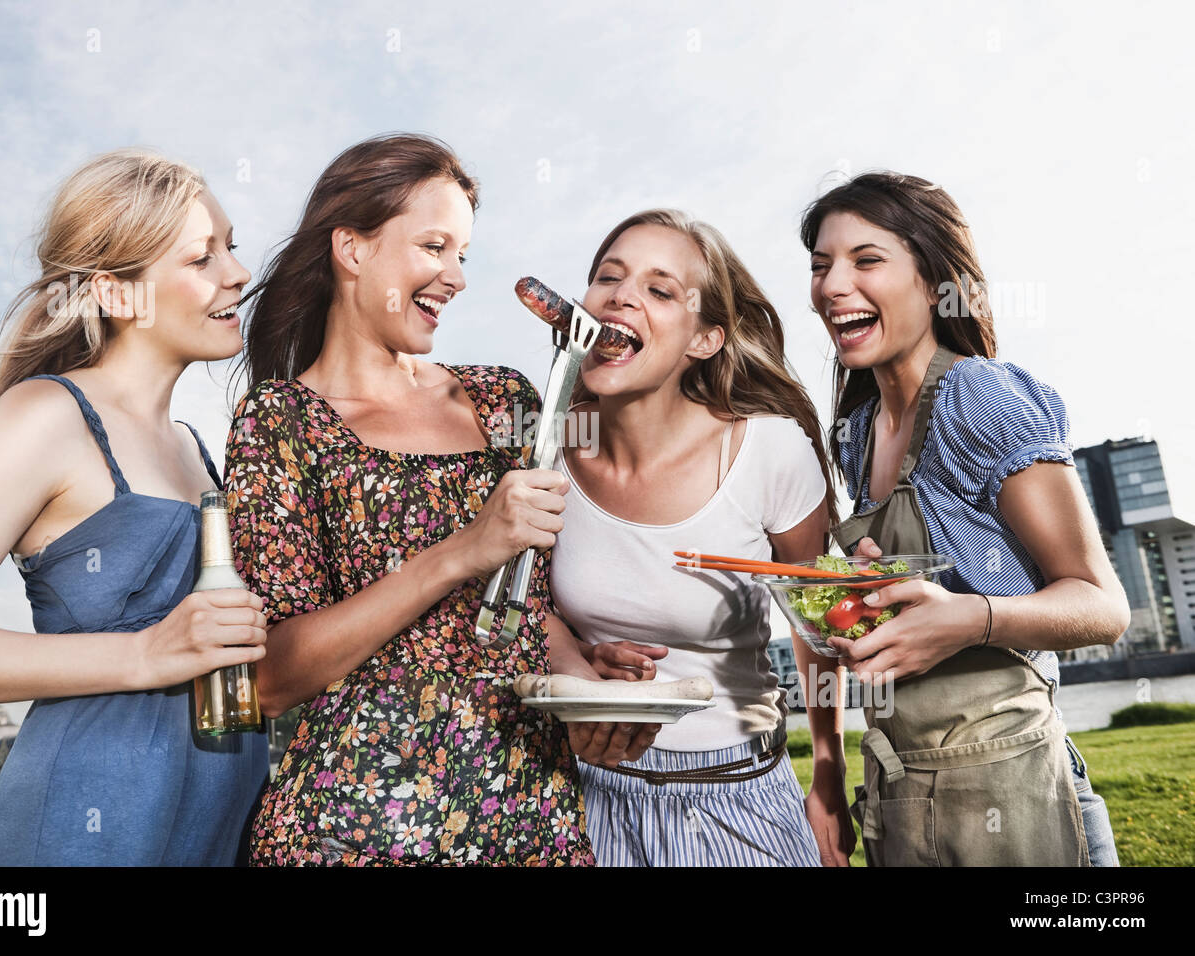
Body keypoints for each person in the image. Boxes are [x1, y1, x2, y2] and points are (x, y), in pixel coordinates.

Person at [226, 133, 604, 866]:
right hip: (354, 831)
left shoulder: (504, 399)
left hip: (530, 821)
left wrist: (591, 684)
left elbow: (523, 611)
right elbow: (271, 678)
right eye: (435, 247)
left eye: (463, 253)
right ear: (353, 249)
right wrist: (460, 553)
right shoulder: (281, 422)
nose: (456, 277)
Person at [0, 149, 270, 865]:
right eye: (202, 257)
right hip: (80, 832)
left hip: (214, 828)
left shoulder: (196, 446)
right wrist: (142, 655)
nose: (238, 273)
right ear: (116, 292)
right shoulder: (46, 417)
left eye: (232, 246)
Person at [801, 170, 1128, 866]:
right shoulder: (857, 434)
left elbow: (1102, 605)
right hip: (902, 794)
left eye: (866, 260)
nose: (831, 286)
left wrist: (969, 619)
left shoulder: (978, 396)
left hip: (1015, 793)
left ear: (932, 281)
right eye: (821, 265)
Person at [546, 209, 856, 867]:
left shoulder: (767, 450)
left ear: (705, 340)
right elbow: (517, 605)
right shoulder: (547, 443)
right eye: (608, 277)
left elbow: (815, 625)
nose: (622, 295)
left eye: (660, 290)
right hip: (585, 796)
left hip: (736, 794)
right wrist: (577, 662)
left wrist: (829, 777)